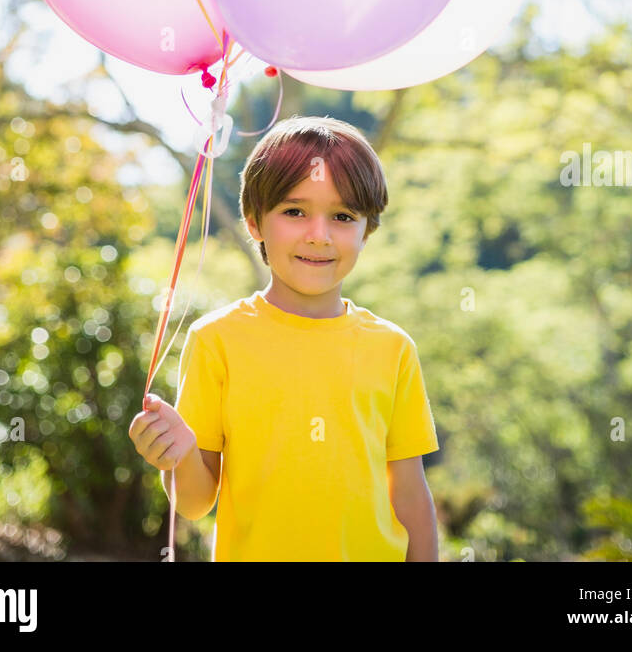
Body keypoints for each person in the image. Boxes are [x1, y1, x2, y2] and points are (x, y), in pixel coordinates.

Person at [128, 114, 439, 561]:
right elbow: (196, 502)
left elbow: (410, 496)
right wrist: (179, 453)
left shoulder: (392, 348)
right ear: (254, 222)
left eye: (343, 216)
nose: (318, 235)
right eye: (295, 212)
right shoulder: (216, 340)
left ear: (367, 230)